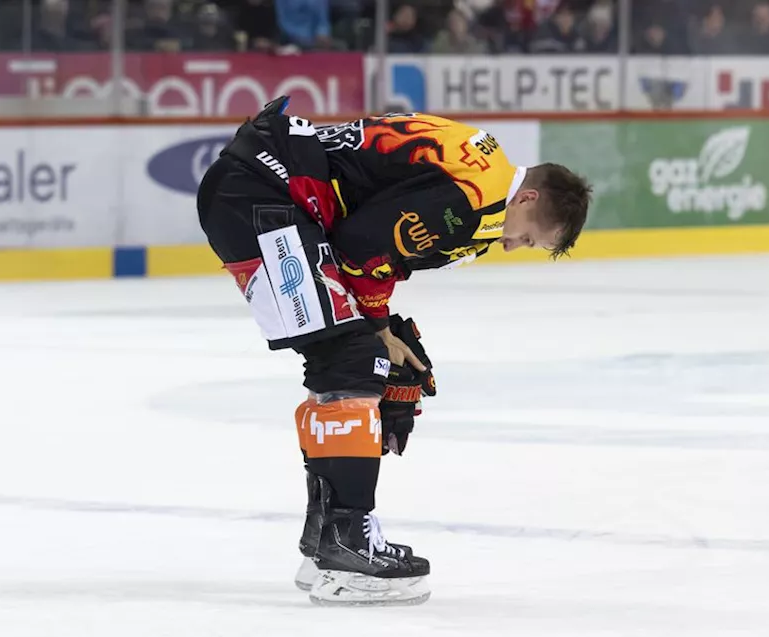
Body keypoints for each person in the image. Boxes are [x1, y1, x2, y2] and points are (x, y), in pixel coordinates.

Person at [195, 97, 592, 606]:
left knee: (347, 358)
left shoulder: (482, 169)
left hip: (263, 191)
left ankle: (326, 541)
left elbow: (376, 245)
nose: (515, 246)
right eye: (530, 237)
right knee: (355, 359)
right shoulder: (473, 199)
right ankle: (347, 546)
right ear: (529, 197)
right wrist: (378, 333)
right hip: (268, 195)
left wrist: (384, 330)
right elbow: (361, 246)